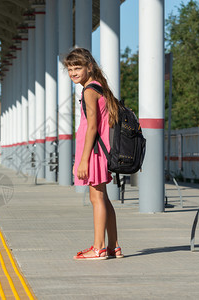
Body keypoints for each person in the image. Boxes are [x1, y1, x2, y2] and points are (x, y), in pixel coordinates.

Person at [64, 48, 124, 260]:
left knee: (96, 198)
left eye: (77, 67)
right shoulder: (99, 87)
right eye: (70, 68)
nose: (73, 72)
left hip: (95, 153)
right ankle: (113, 246)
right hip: (99, 151)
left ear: (89, 67)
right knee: (104, 199)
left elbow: (92, 127)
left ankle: (98, 248)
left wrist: (83, 161)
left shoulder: (89, 90)